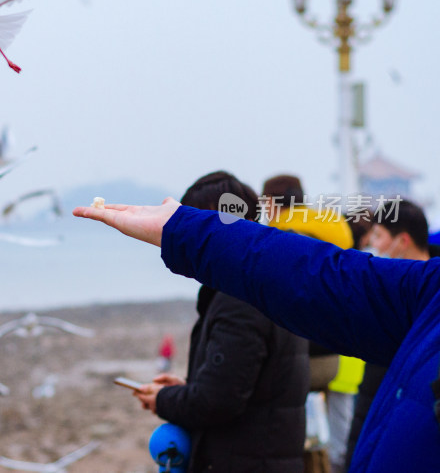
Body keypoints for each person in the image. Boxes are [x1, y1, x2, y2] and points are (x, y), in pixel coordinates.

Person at [73, 197, 440, 472]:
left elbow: (222, 396)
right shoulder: (427, 294)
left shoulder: (236, 307)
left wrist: (170, 398)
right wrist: (184, 229)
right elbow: (317, 276)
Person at [133, 171, 309, 472]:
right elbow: (242, 383)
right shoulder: (265, 281)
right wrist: (187, 389)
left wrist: (164, 399)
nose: (184, 242)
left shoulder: (240, 297)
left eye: (191, 229)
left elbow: (218, 402)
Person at [261, 174, 361, 472]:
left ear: (273, 202)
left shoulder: (280, 240)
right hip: (335, 354)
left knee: (290, 427)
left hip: (298, 357)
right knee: (337, 431)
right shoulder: (333, 233)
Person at [344, 198, 437, 471]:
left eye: (378, 235)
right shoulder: (379, 297)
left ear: (403, 240)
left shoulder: (423, 301)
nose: (372, 243)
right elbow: (368, 401)